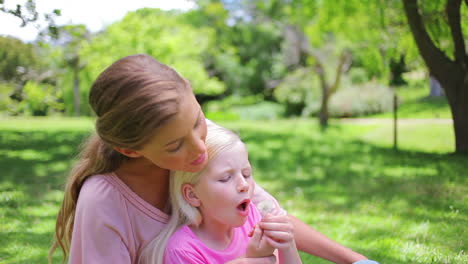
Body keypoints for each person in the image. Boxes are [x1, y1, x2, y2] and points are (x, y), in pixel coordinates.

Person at [49, 54, 378, 264]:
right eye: (175, 145)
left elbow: (268, 215)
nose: (199, 149)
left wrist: (356, 260)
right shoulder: (105, 200)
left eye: (197, 120)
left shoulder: (206, 145)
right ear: (131, 150)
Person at [140, 124, 302, 264]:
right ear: (193, 195)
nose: (243, 185)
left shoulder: (253, 218)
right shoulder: (183, 251)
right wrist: (252, 259)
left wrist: (288, 245)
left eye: (246, 174)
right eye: (225, 178)